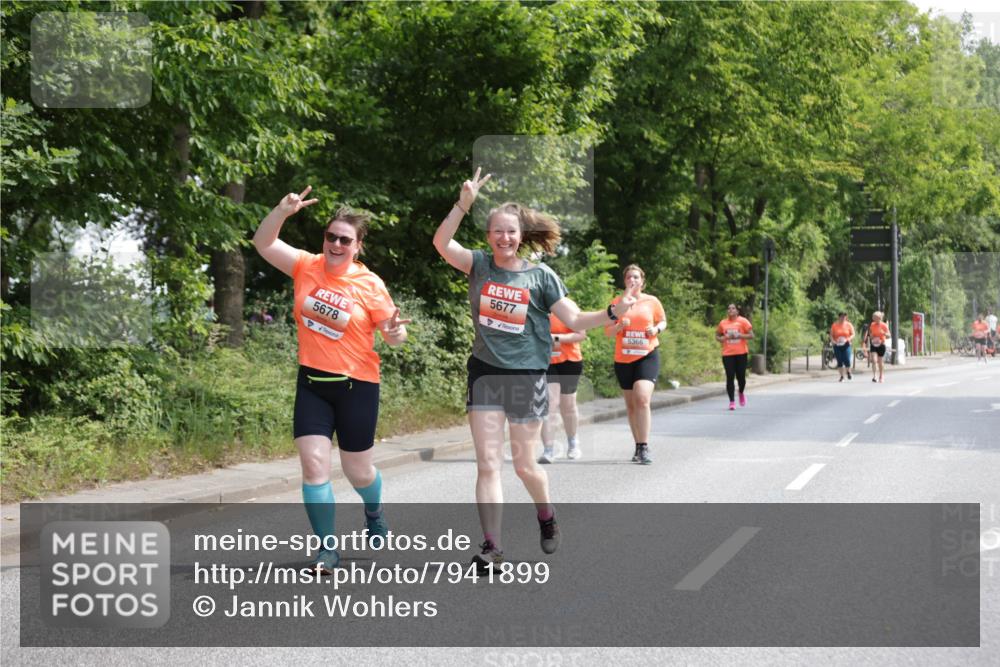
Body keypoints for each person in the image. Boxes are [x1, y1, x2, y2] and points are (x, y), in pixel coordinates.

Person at [433, 168, 636, 572]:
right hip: (485, 374)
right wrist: (462, 204)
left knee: (525, 466)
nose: (504, 238)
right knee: (488, 463)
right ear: (488, 236)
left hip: (527, 377)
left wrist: (613, 311)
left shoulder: (541, 276)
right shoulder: (478, 265)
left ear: (522, 235)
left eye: (511, 232)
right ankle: (492, 546)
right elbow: (441, 243)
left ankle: (546, 514)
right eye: (497, 232)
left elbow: (576, 320)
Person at [253, 186, 409, 574]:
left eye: (344, 239)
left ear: (357, 246)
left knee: (358, 471)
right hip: (313, 384)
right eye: (330, 236)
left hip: (358, 386)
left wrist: (392, 333)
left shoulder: (369, 284)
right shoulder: (306, 265)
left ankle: (373, 512)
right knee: (313, 466)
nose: (336, 244)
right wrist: (281, 210)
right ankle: (327, 549)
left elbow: (394, 333)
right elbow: (263, 242)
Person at [607, 265, 666, 464]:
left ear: (642, 281)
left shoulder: (652, 301)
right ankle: (637, 445)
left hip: (647, 354)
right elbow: (607, 332)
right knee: (631, 406)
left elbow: (663, 321)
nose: (633, 280)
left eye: (636, 277)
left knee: (642, 398)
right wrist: (618, 326)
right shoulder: (617, 303)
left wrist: (656, 329)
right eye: (629, 277)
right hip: (623, 358)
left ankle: (644, 446)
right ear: (625, 281)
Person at [539, 313, 586, 463]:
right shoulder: (536, 308)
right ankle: (548, 450)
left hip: (570, 361)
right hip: (546, 361)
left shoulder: (567, 309)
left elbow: (581, 334)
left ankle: (573, 443)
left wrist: (556, 338)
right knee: (550, 403)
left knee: (568, 405)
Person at [715, 304, 754, 410]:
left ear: (737, 311)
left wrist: (740, 336)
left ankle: (741, 392)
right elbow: (717, 336)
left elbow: (751, 335)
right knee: (730, 377)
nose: (730, 310)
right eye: (728, 308)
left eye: (733, 308)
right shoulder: (723, 323)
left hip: (741, 353)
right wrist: (723, 338)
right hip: (727, 353)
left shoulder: (743, 321)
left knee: (741, 377)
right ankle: (732, 401)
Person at [864, 311, 891, 382]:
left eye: (874, 317)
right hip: (873, 344)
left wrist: (884, 333)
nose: (873, 319)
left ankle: (881, 376)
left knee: (880, 361)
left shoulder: (884, 325)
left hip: (881, 344)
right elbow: (871, 333)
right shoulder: (872, 324)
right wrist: (872, 336)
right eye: (873, 317)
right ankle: (874, 376)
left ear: (879, 318)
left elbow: (889, 336)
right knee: (874, 360)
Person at [830, 312, 855, 382]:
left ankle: (848, 372)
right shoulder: (834, 325)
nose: (843, 318)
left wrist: (848, 339)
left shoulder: (849, 325)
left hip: (846, 344)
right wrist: (833, 341)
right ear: (839, 317)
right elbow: (831, 335)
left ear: (846, 317)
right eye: (841, 316)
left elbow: (853, 334)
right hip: (837, 345)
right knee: (839, 360)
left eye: (844, 317)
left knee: (847, 359)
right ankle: (841, 376)